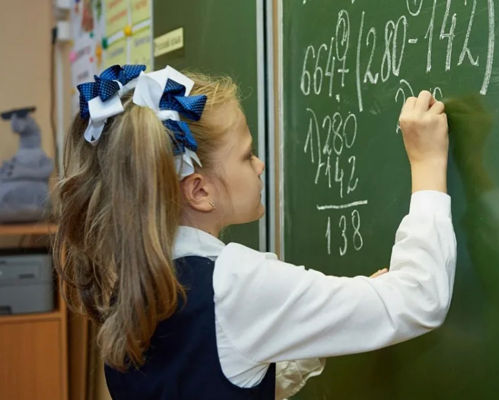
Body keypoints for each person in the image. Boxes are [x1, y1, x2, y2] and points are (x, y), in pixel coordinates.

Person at [53, 64, 456, 399]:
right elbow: (419, 298)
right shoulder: (235, 284)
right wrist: (427, 164)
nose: (260, 164)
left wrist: (321, 321)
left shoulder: (135, 277)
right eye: (247, 156)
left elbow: (220, 377)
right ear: (200, 191)